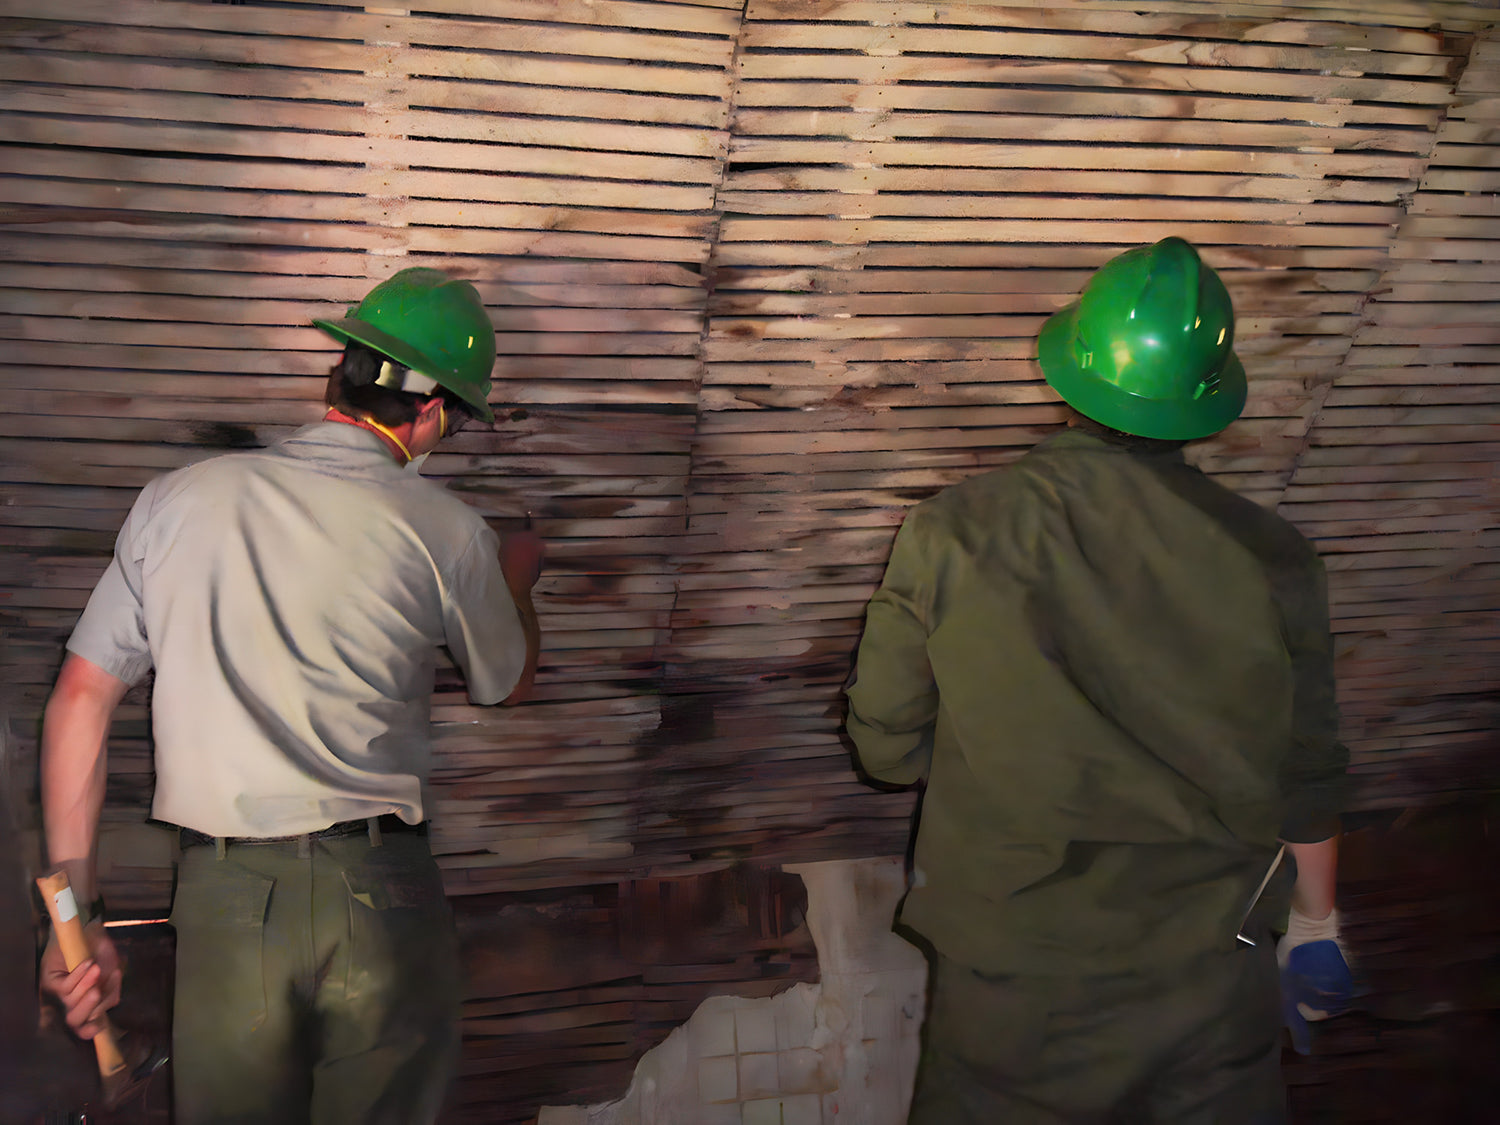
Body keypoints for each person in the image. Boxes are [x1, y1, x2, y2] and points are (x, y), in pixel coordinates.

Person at [844, 237, 1355, 1124]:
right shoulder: (1278, 558)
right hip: (1212, 975)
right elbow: (1307, 776)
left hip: (1018, 979)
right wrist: (1315, 925)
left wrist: (999, 749)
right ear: (1207, 397)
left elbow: (884, 748)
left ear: (1069, 372)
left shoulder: (954, 532)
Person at [38, 267, 542, 1124]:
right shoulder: (452, 531)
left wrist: (73, 921)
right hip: (382, 894)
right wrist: (518, 580)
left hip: (228, 903)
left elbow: (81, 701)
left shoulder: (175, 502)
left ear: (337, 375)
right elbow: (505, 682)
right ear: (429, 413)